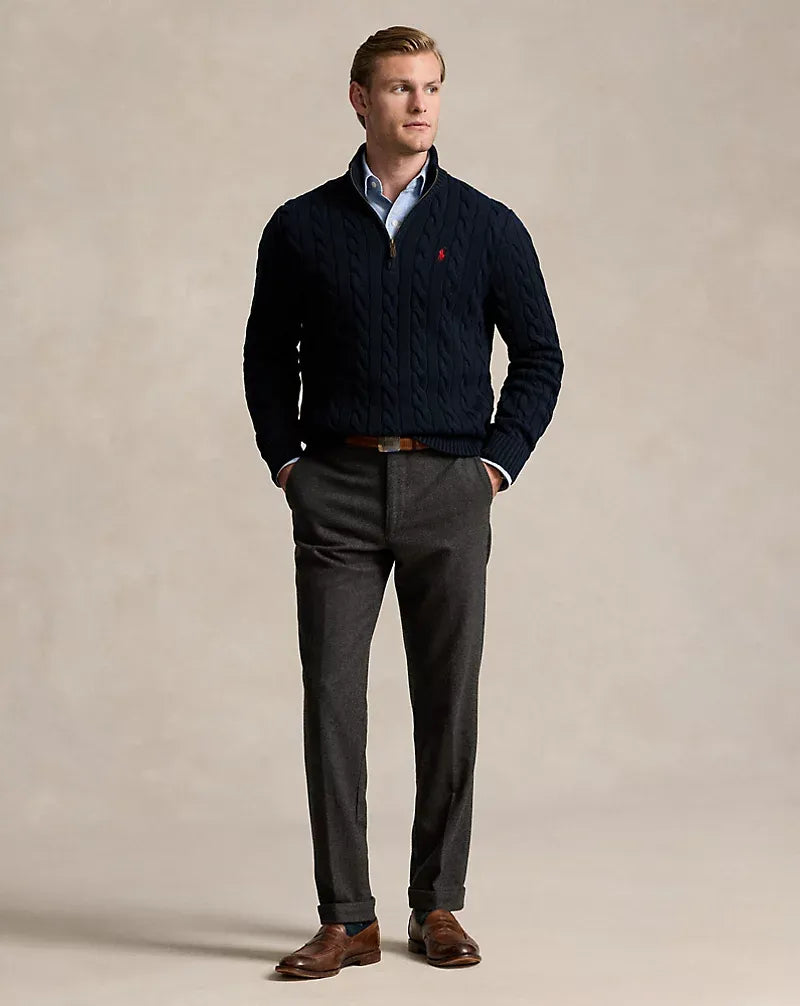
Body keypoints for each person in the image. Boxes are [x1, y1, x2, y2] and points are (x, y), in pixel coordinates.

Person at [243, 25, 564, 980]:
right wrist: (288, 464)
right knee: (332, 703)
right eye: (398, 88)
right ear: (360, 99)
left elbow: (539, 356)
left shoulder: (488, 225)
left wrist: (495, 466)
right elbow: (266, 356)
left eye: (430, 87)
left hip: (449, 488)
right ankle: (347, 917)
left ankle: (438, 904)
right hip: (336, 488)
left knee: (447, 701)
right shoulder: (300, 226)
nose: (419, 104)